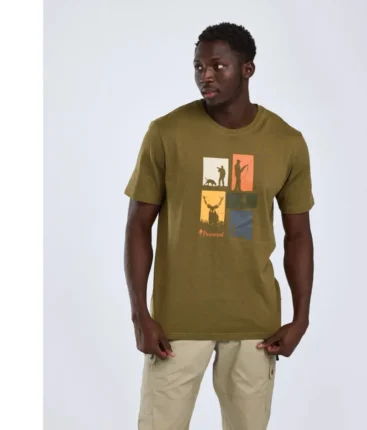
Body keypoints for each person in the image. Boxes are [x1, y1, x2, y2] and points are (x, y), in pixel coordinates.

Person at [124, 22, 314, 430]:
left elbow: (298, 235)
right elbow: (138, 226)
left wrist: (301, 318)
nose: (205, 76)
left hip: (255, 327)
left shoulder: (286, 142)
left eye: (217, 66)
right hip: (176, 324)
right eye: (198, 66)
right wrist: (140, 314)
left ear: (247, 69)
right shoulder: (166, 133)